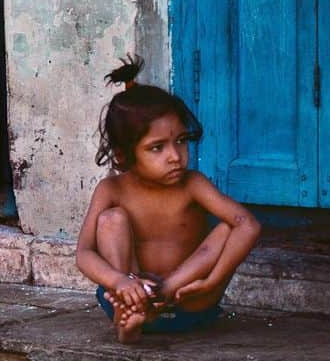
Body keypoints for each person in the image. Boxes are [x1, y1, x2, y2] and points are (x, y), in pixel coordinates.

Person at [75, 55, 262, 343]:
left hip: (191, 300)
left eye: (181, 141)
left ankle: (142, 311)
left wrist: (210, 283)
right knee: (111, 220)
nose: (175, 156)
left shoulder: (193, 184)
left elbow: (248, 225)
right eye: (157, 148)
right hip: (130, 295)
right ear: (124, 154)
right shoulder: (111, 189)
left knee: (229, 226)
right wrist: (120, 282)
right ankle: (129, 322)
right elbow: (84, 254)